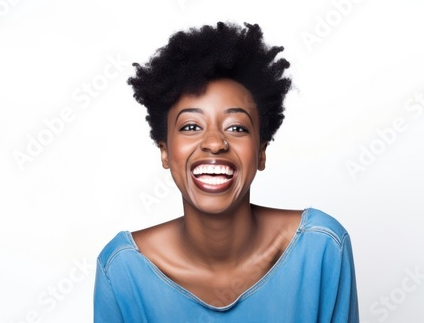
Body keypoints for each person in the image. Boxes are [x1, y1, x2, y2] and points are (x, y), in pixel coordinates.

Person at [94, 21, 359, 322]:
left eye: (236, 127)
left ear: (261, 151)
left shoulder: (321, 248)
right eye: (191, 126)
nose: (214, 143)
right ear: (165, 151)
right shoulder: (122, 269)